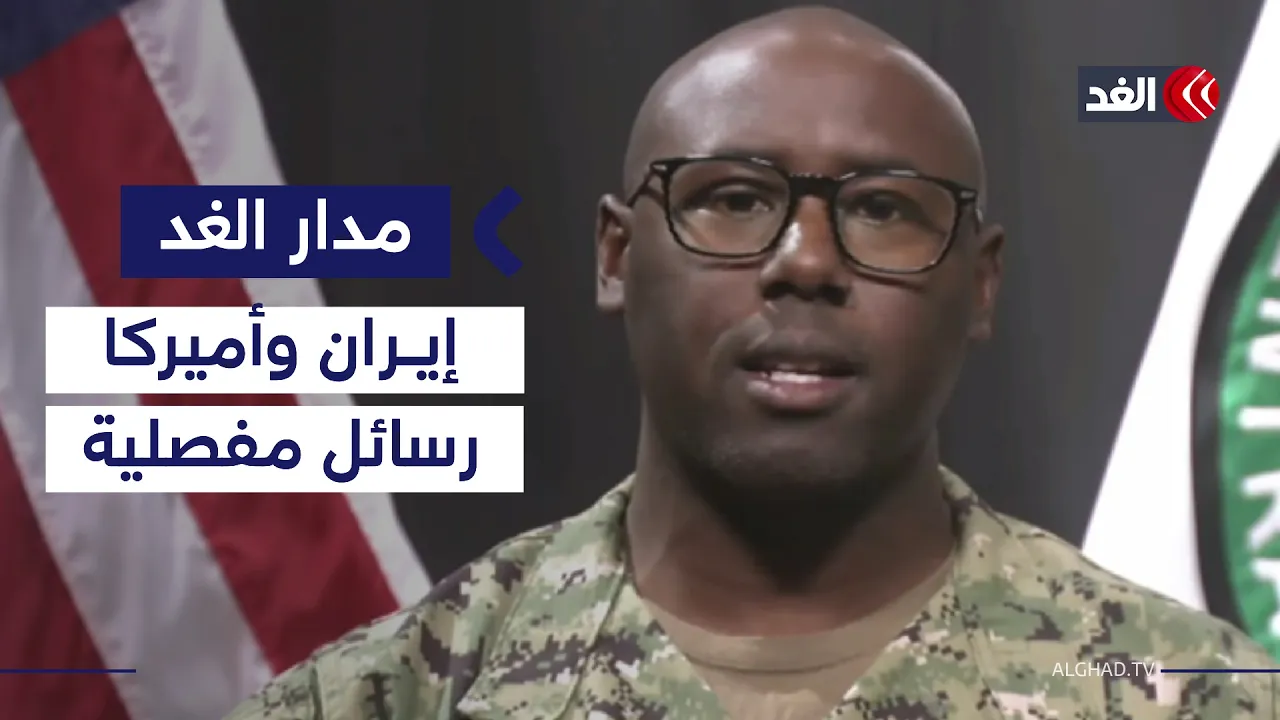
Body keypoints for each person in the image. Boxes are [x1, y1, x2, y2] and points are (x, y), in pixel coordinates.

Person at [226, 6, 1279, 719]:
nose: (806, 262)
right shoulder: (382, 701)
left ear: (980, 286)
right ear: (615, 256)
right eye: (732, 199)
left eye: (883, 210)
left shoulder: (1197, 696)